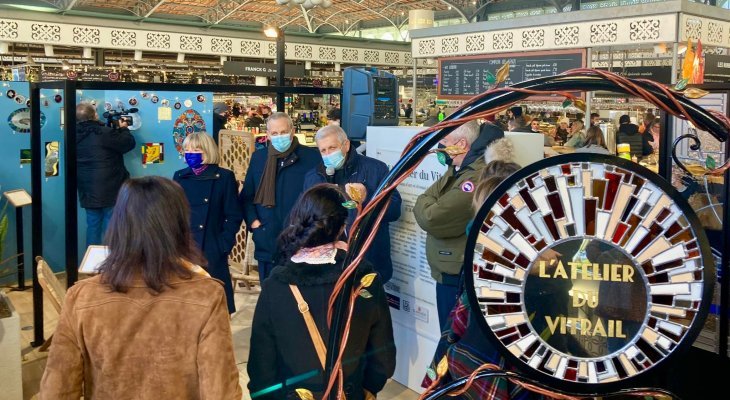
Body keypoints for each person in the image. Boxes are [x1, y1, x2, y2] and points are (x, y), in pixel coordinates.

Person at [39, 176, 242, 400]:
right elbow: (221, 392)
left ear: (119, 225)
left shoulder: (81, 297)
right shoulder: (207, 295)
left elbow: (56, 391)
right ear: (180, 226)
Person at [247, 184, 396, 400]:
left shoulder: (276, 286)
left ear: (298, 220)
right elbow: (383, 353)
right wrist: (369, 388)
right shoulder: (364, 279)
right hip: (351, 392)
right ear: (342, 226)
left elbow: (261, 365)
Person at [422, 160, 546, 400]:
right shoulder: (535, 252)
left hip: (483, 358)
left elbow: (429, 213)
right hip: (509, 362)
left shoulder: (481, 248)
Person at [414, 120, 502, 328]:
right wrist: (427, 201)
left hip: (456, 272)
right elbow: (427, 198)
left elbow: (431, 217)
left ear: (462, 144)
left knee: (451, 334)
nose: (440, 147)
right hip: (449, 267)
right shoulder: (458, 169)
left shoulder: (473, 175)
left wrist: (427, 202)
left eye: (444, 141)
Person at [303, 125, 402, 282]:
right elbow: (306, 218)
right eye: (323, 150)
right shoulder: (314, 177)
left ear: (346, 145)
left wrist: (366, 199)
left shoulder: (375, 169)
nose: (328, 154)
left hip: (368, 258)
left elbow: (395, 210)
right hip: (328, 264)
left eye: (332, 148)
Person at [240, 112, 321, 283]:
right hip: (267, 240)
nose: (279, 137)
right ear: (267, 134)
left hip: (301, 241)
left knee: (298, 299)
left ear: (292, 131)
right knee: (270, 295)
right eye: (274, 133)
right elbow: (247, 196)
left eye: (283, 132)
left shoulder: (311, 158)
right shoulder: (259, 158)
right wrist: (255, 224)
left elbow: (319, 198)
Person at [173, 132, 243, 313]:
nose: (191, 153)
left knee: (215, 304)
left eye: (196, 149)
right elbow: (173, 213)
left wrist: (223, 244)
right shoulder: (179, 176)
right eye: (187, 150)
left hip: (212, 246)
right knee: (185, 304)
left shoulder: (224, 177)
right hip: (185, 247)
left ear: (207, 150)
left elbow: (233, 215)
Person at [75, 103, 135, 247]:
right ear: (94, 115)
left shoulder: (72, 134)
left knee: (93, 226)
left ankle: (91, 265)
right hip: (111, 188)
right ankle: (110, 263)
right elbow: (127, 144)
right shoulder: (104, 133)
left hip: (87, 189)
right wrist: (124, 129)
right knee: (111, 226)